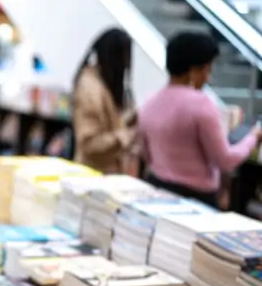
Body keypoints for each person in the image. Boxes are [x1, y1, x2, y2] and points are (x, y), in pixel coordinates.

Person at [138, 32, 260, 207]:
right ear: (193, 71)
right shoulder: (201, 104)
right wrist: (253, 138)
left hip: (157, 191)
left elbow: (146, 154)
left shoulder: (150, 103)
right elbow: (225, 160)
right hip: (196, 199)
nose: (207, 77)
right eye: (207, 69)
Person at [71, 28, 137, 173]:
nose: (126, 66)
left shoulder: (106, 84)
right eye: (123, 59)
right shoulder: (90, 89)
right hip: (92, 175)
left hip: (109, 175)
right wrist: (124, 136)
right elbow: (89, 143)